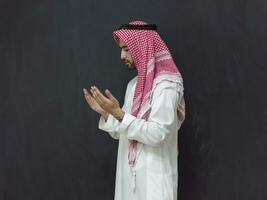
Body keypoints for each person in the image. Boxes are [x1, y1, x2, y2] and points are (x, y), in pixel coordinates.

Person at [83, 20, 185, 200]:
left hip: (154, 184)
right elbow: (127, 131)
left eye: (127, 48)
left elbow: (158, 134)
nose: (122, 55)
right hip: (128, 181)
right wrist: (108, 113)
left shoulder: (166, 86)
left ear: (142, 46)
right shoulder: (134, 85)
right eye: (121, 49)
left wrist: (119, 113)